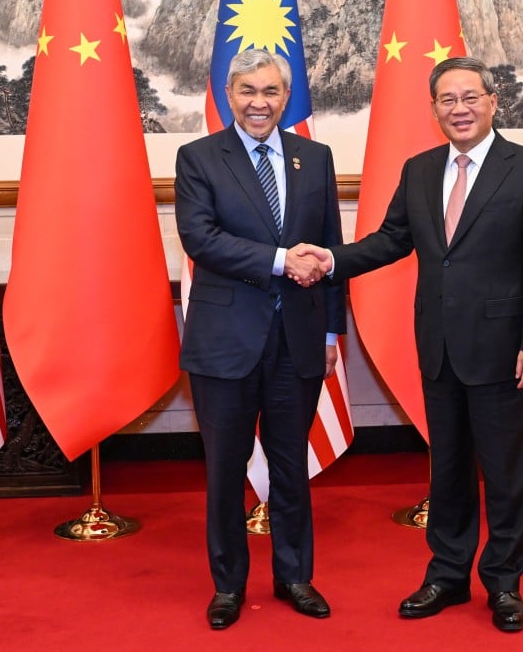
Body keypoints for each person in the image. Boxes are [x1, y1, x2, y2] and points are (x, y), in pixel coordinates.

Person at [296, 56, 523, 633]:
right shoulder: (420, 170)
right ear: (434, 110)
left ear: (495, 102)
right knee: (446, 469)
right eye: (448, 100)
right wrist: (332, 260)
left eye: (471, 97)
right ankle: (446, 574)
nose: (460, 109)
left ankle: (503, 583)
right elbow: (393, 240)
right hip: (439, 346)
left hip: (505, 349)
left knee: (506, 472)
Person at [174, 48, 346, 630]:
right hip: (225, 341)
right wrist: (278, 259)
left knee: (290, 465)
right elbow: (201, 238)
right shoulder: (198, 157)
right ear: (230, 93)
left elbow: (328, 251)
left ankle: (296, 577)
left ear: (285, 97)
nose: (259, 103)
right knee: (225, 469)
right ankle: (228, 585)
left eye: (271, 91)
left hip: (298, 340)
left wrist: (329, 331)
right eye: (248, 90)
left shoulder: (314, 159)